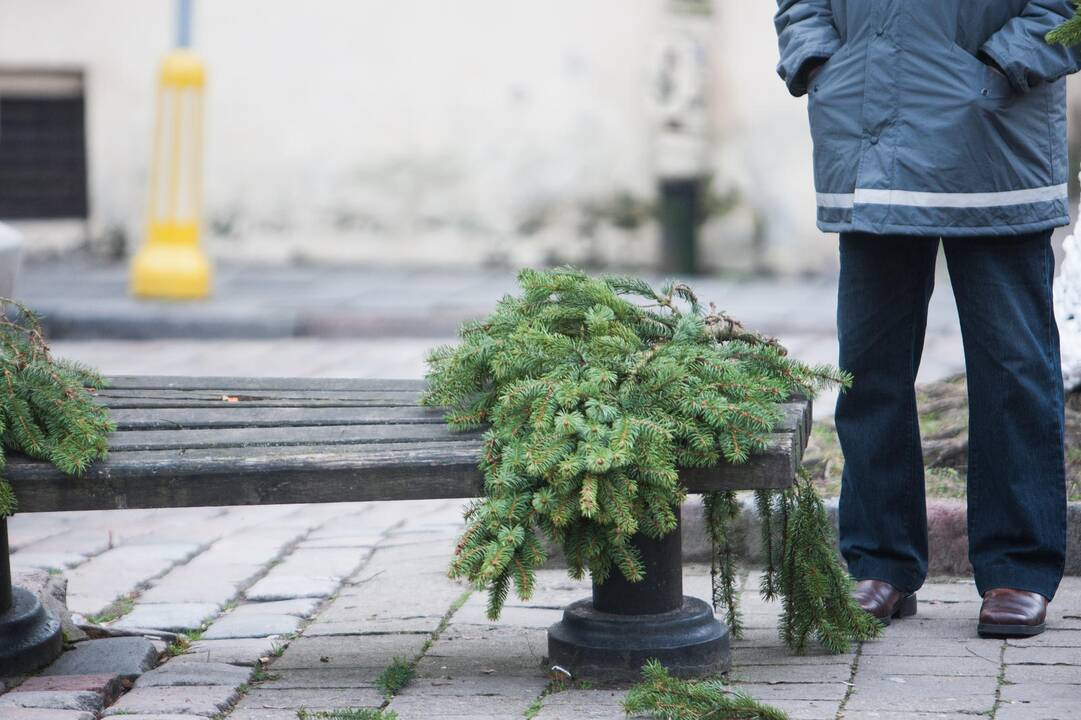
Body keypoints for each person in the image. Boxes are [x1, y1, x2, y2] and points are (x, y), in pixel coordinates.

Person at [774, 0, 1081, 638]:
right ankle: (879, 559)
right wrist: (820, 60)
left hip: (995, 132)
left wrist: (1000, 66)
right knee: (869, 365)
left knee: (1014, 366)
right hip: (867, 128)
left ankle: (1017, 568)